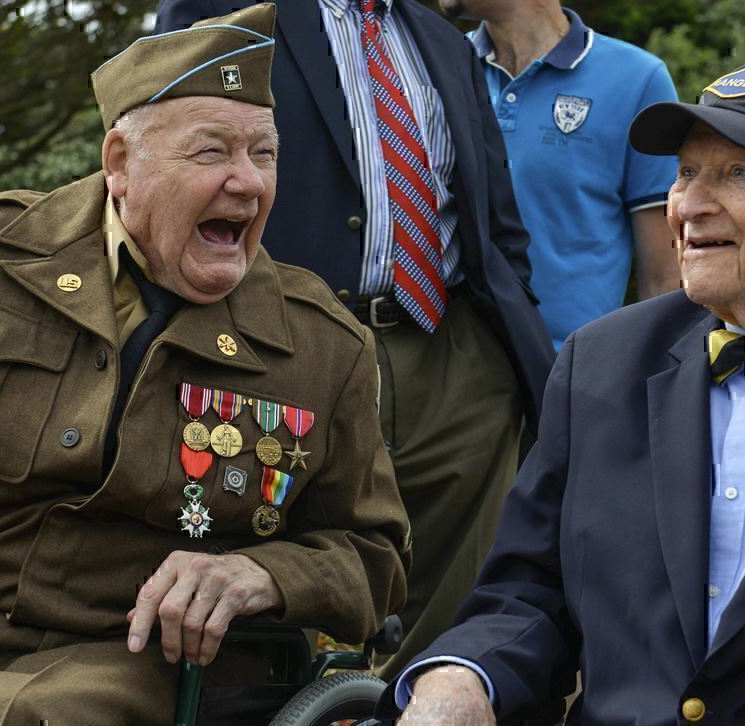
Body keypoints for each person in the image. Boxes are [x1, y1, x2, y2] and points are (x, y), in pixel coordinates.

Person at [380, 56, 745, 724]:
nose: (688, 205)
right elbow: (529, 593)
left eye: (737, 173)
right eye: (687, 172)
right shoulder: (601, 363)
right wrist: (464, 676)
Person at [0, 6, 410, 723]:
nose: (249, 182)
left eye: (264, 153)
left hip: (157, 666)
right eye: (211, 152)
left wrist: (260, 572)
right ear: (120, 164)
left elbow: (374, 555)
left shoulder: (321, 344)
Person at [155, 0, 555, 678]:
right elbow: (171, 170)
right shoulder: (224, 10)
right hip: (284, 350)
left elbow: (494, 218)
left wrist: (501, 349)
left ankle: (421, 706)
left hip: (451, 355)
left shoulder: (443, 40)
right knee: (273, 577)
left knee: (452, 610)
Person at [440, 0, 680, 349]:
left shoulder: (638, 79)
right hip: (456, 366)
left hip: (574, 366)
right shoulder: (439, 67)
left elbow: (664, 278)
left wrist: (655, 372)